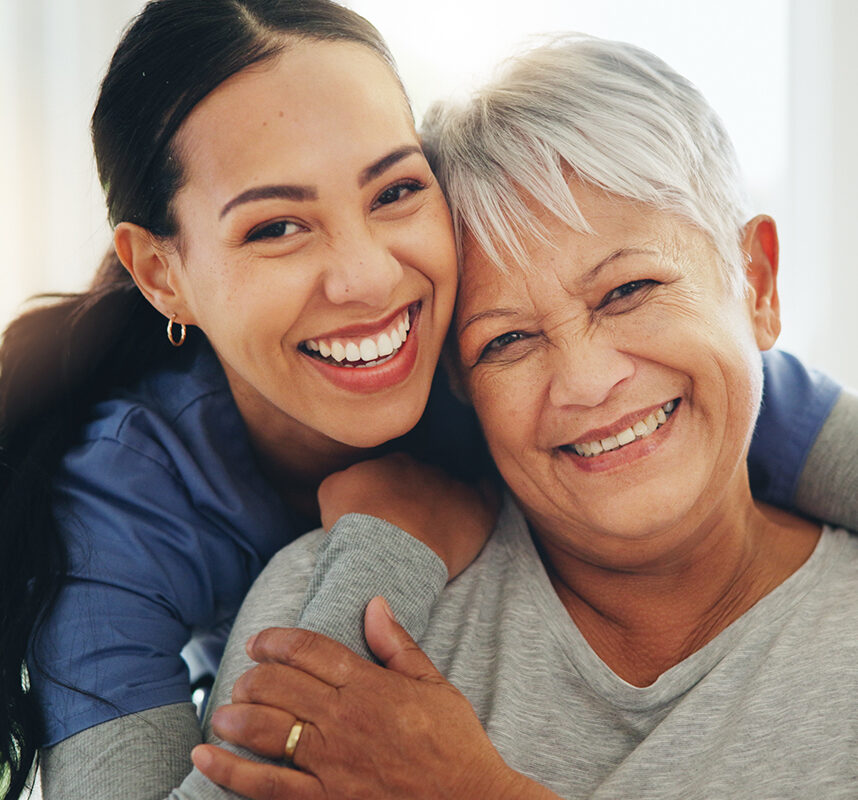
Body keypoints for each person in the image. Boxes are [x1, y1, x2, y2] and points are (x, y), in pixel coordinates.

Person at [0, 2, 849, 796]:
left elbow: (731, 383)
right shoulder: (118, 513)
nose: (370, 278)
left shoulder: (494, 330)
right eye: (274, 227)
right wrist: (387, 549)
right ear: (161, 272)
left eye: (395, 190)